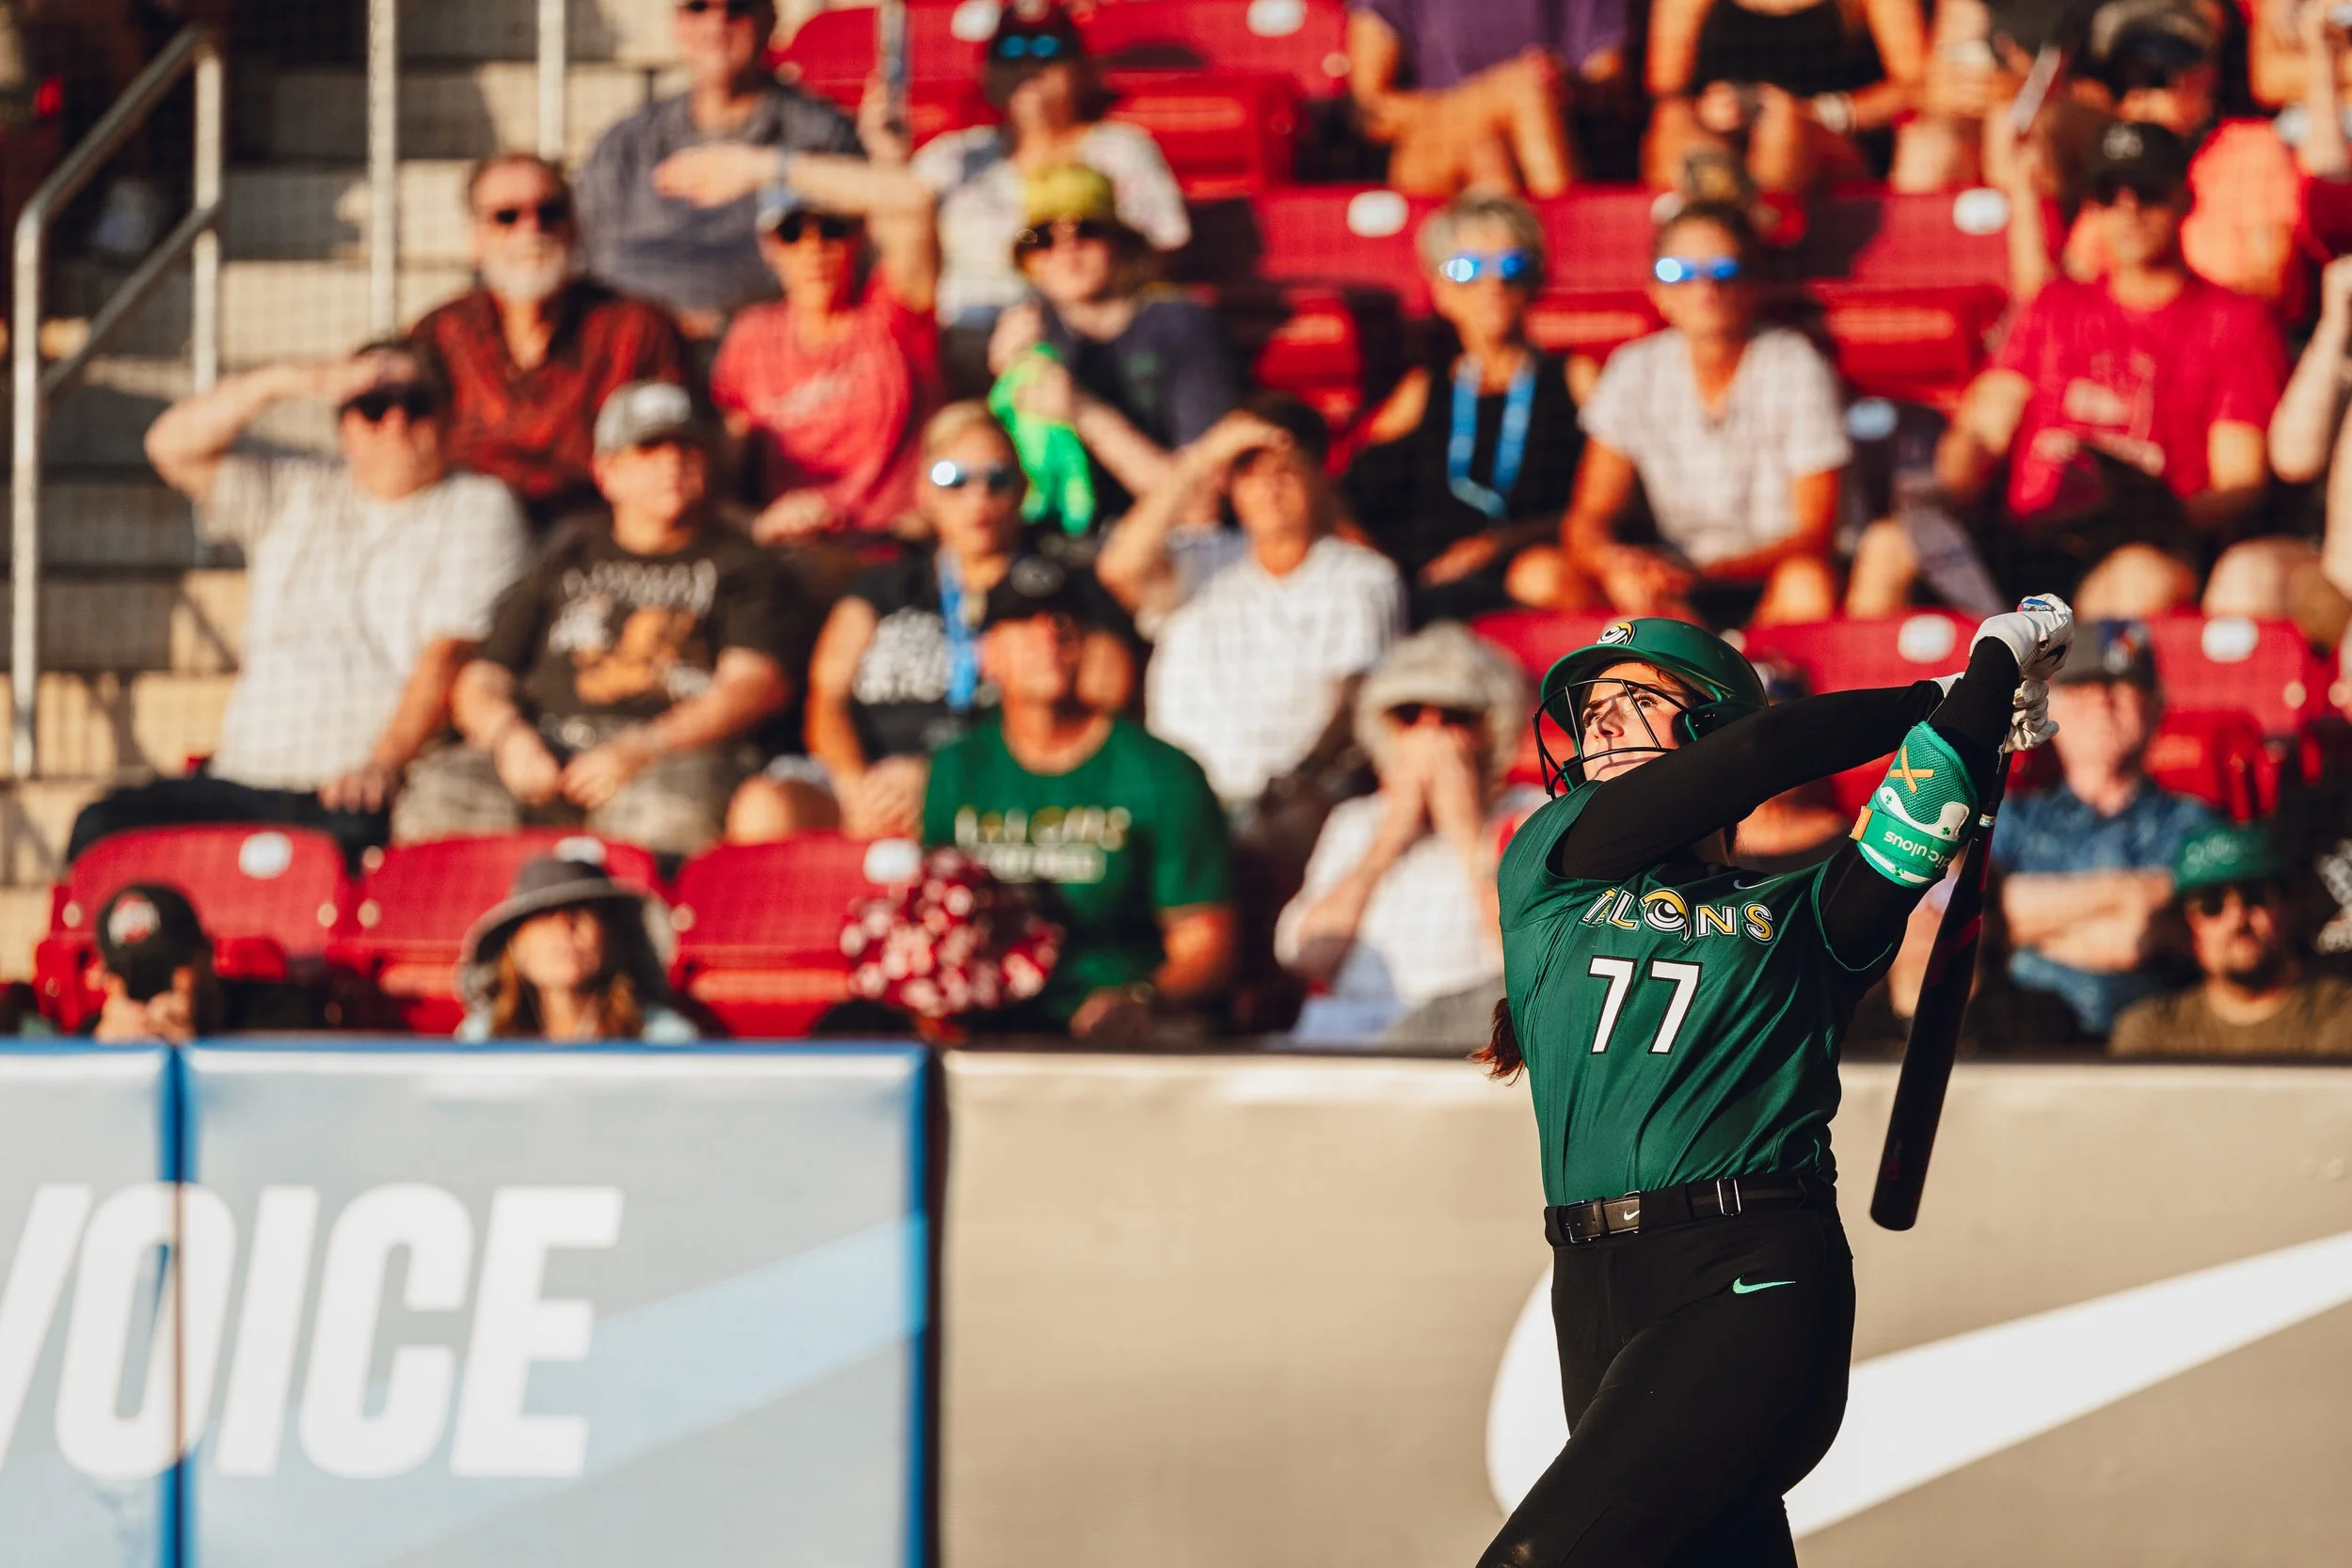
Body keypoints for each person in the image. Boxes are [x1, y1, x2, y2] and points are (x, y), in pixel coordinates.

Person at [1476, 600, 2071, 1565]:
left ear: (1712, 723)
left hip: (1750, 1273)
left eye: (1634, 700)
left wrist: (1983, 687)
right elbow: (1765, 754)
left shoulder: (1806, 917)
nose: (1602, 721)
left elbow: (1909, 799)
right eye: (1591, 709)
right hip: (1590, 1284)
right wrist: (1952, 691)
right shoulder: (1550, 861)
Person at [69, 345, 529, 865]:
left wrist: (381, 767)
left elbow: (447, 656)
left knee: (348, 857)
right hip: (243, 775)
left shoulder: (479, 507)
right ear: (344, 425)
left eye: (415, 402)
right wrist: (294, 379)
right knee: (100, 830)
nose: (396, 420)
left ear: (446, 416)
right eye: (374, 405)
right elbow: (169, 446)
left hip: (353, 788)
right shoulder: (297, 491)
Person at [1856, 122, 2285, 620]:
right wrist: (1946, 491)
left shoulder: (2234, 321)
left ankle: (2066, 695)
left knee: (2140, 581)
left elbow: (2240, 480)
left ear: (2184, 199)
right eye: (2107, 195)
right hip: (2026, 539)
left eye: (2146, 194)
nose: (2128, 211)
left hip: (2139, 547)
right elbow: (1982, 428)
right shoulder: (2055, 305)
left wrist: (2158, 518)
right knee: (1889, 544)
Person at [401, 383, 803, 857]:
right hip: (543, 752)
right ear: (607, 472)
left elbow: (754, 688)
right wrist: (510, 739)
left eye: (687, 447)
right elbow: (483, 676)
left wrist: (642, 748)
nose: (672, 463)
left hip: (670, 761)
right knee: (437, 800)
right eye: (649, 449)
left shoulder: (745, 564)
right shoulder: (567, 551)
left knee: (666, 815)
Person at [728, 402, 1133, 842]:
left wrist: (941, 777)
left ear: (1022, 490)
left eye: (996, 478)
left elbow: (1106, 693)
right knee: (764, 809)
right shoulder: (883, 586)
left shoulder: (1055, 589)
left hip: (998, 777)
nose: (977, 497)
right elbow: (827, 699)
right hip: (870, 780)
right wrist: (855, 785)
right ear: (923, 490)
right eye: (952, 479)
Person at [921, 556, 1235, 1041]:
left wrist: (1141, 998)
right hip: (985, 1020)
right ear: (988, 654)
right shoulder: (957, 768)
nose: (1049, 638)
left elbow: (1206, 942)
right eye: (1023, 624)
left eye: (1065, 624)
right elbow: (936, 915)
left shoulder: (1161, 772)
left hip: (1117, 1032)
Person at [1100, 395, 1406, 808]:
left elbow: (1354, 700)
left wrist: (1297, 786)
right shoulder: (1198, 557)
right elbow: (1118, 569)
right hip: (1178, 798)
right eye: (1250, 473)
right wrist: (1201, 459)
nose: (1269, 489)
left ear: (1318, 476)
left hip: (1290, 806)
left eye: (1285, 470)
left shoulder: (1363, 577)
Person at [1555, 201, 1848, 627]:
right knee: (1563, 577)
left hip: (1763, 573)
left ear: (1753, 284)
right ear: (1657, 289)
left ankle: (1762, 685)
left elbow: (1815, 533)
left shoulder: (1796, 365)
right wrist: (1616, 561)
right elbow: (1589, 516)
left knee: (1807, 584)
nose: (1704, 287)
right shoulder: (1633, 368)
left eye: (1724, 271)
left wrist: (1702, 573)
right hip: (1675, 577)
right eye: (1680, 272)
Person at [1275, 624, 1541, 1044]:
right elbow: (1308, 956)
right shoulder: (1355, 820)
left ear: (1492, 728)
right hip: (1349, 1034)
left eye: (1454, 717)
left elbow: (1535, 961)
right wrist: (1388, 840)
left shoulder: (1531, 814)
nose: (1429, 732)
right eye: (1409, 715)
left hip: (1465, 1034)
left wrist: (1468, 830)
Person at [897, 3, 1190, 383]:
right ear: (985, 73)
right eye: (1010, 51)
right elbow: (901, 267)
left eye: (1050, 49)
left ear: (1083, 69)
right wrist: (887, 161)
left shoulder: (1120, 149)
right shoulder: (952, 158)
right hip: (959, 347)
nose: (1029, 66)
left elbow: (1161, 250)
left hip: (1083, 349)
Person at [1343, 191, 1591, 622]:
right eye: (1467, 269)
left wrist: (1501, 543)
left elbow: (1611, 505)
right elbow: (1344, 497)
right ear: (1440, 291)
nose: (1491, 285)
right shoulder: (1422, 390)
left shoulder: (1576, 378)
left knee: (1543, 575)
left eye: (1511, 266)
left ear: (1537, 280)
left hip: (1532, 572)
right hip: (1431, 583)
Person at [408, 153, 690, 530]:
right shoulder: (442, 332)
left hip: (597, 536)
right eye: (506, 217)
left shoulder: (636, 329)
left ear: (574, 229)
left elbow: (677, 451)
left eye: (550, 212)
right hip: (468, 535)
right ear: (475, 240)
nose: (532, 229)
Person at [576, 0, 860, 334]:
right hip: (635, 351)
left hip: (764, 353)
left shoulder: (821, 137)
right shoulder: (626, 144)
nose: (717, 25)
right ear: (678, 23)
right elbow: (579, 260)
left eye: (737, 7)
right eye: (698, 7)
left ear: (770, 19)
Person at [1989, 618, 2212, 1040]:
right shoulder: (2012, 819)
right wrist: (2130, 892)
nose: (2103, 702)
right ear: (2048, 707)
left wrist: (2026, 929)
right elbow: (1981, 923)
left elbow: (2135, 941)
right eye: (2083, 687)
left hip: (2154, 1046)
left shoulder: (2193, 823)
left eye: (2122, 686)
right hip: (2022, 1046)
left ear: (2155, 704)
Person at [2006, 1, 2304, 312]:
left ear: (2205, 77)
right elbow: (2055, 303)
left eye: (2154, 77)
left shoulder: (2252, 147)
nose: (2139, 97)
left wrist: (2168, 307)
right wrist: (2023, 193)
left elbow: (2271, 286)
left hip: (2222, 346)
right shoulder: (2118, 167)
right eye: (2123, 82)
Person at [986, 165, 1242, 528]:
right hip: (1057, 545)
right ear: (1030, 260)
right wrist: (1001, 387)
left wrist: (1082, 411)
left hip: (1165, 546)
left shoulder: (1182, 325)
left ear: (1120, 245)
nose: (1066, 249)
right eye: (1042, 238)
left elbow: (1198, 507)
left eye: (1086, 231)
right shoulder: (1026, 337)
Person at [700, 165, 941, 543]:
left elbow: (914, 201)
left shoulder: (894, 318)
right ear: (770, 247)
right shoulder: (753, 336)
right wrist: (760, 525)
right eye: (793, 233)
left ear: (857, 238)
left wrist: (772, 166)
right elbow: (721, 479)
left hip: (890, 544)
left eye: (831, 229)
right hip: (792, 548)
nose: (814, 250)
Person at [2109, 821, 2352, 1057]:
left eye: (2255, 896)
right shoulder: (2151, 1034)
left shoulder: (2340, 1012)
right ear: (2187, 925)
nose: (2237, 918)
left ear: (2286, 908)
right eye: (2211, 904)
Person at [1643, 0, 1931, 195]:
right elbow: (1667, 92)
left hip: (1833, 140)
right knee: (1675, 127)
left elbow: (1916, 86)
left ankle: (1756, 229)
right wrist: (1710, 110)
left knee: (1782, 124)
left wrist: (1820, 113)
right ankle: (1703, 230)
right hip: (1724, 138)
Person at [1345, 0, 1629, 197]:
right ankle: (1565, 237)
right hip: (1429, 155)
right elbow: (1372, 110)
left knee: (1487, 153)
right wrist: (1496, 98)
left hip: (1544, 137)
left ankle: (1511, 259)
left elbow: (1608, 81)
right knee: (1525, 91)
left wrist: (1563, 83)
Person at [453, 856, 698, 1042]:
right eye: (542, 915)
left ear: (613, 938)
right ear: (514, 947)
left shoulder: (664, 1039)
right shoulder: (480, 1038)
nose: (563, 927)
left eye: (581, 910)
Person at [87, 883, 220, 1045]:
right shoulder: (90, 1035)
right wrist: (105, 1054)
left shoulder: (252, 1012)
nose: (149, 999)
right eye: (129, 977)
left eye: (163, 974)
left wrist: (195, 1051)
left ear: (205, 957)